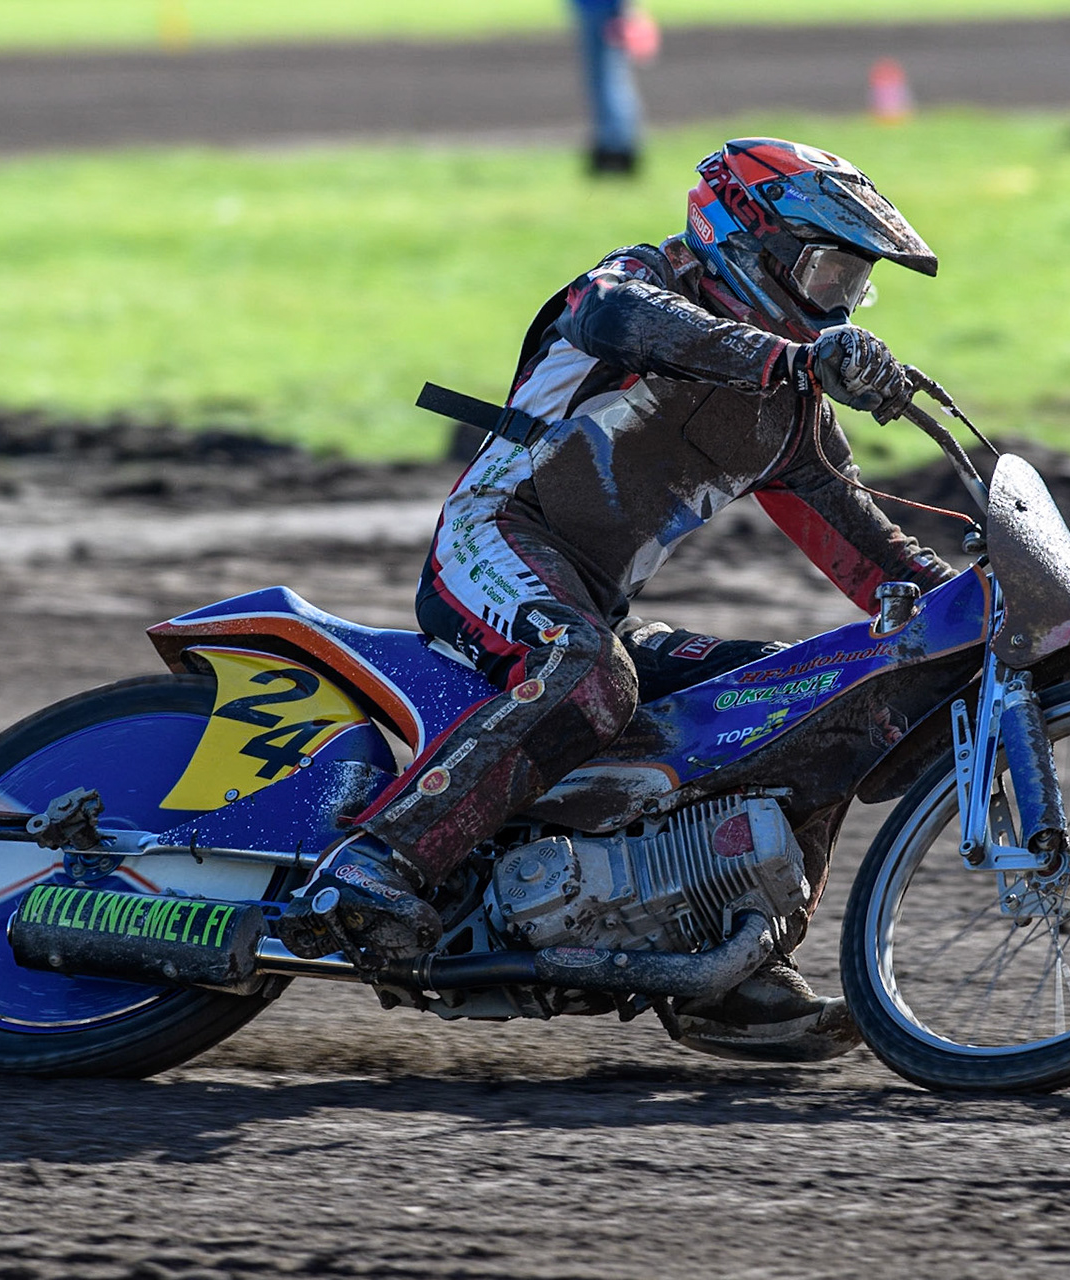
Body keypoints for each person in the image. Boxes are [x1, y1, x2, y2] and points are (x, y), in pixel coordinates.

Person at [282, 138, 957, 1060]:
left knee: (822, 692)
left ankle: (733, 962)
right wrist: (794, 362)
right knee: (588, 670)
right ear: (742, 236)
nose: (837, 300)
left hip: (596, 604)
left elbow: (873, 557)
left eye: (855, 285)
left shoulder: (791, 418)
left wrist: (992, 601)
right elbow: (620, 322)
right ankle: (375, 862)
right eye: (827, 269)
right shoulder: (638, 283)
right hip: (497, 540)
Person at [573, 0, 646, 175]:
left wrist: (628, 9)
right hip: (598, 8)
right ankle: (614, 145)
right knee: (606, 76)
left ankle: (617, 149)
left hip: (604, 9)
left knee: (608, 77)